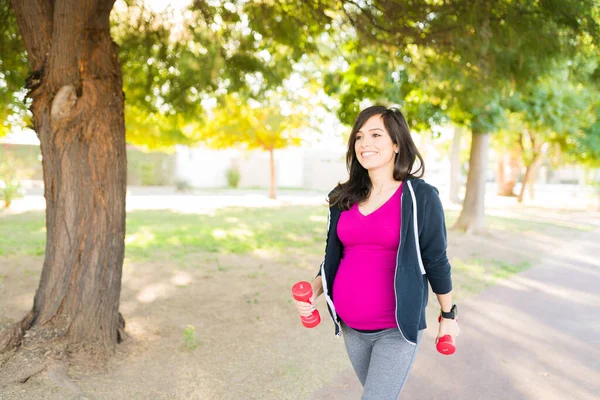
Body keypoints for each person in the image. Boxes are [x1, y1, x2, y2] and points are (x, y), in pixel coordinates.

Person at [293, 105, 460, 399]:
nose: (364, 143)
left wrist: (448, 314)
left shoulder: (420, 197)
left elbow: (436, 259)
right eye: (359, 137)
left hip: (396, 329)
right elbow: (334, 257)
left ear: (396, 143)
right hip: (351, 327)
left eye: (375, 135)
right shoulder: (342, 198)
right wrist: (314, 291)